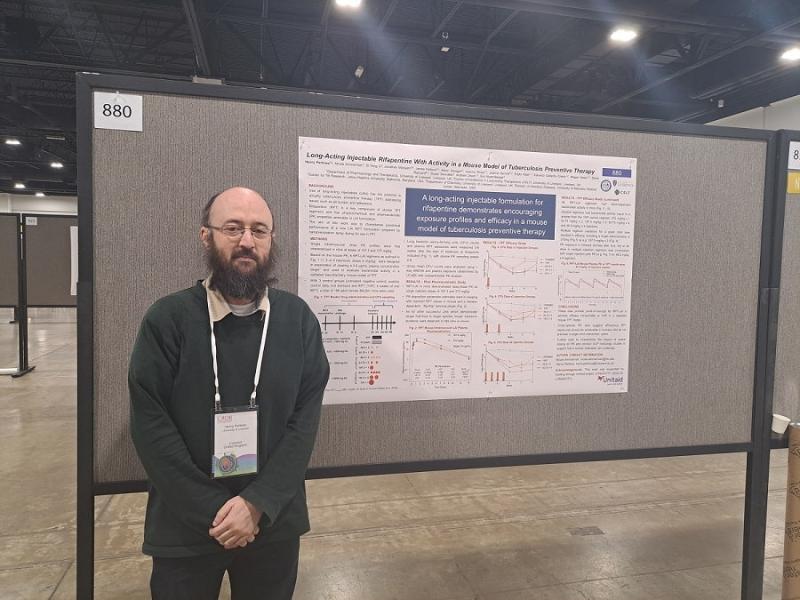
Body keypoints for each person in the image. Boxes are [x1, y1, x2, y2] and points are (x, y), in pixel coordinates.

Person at [128, 186, 329, 600]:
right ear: (207, 236)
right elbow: (151, 427)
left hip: (272, 519)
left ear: (271, 241)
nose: (246, 241)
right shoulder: (168, 319)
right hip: (186, 524)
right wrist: (216, 513)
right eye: (232, 228)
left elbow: (303, 426)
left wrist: (256, 505)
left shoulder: (297, 320)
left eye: (259, 230)